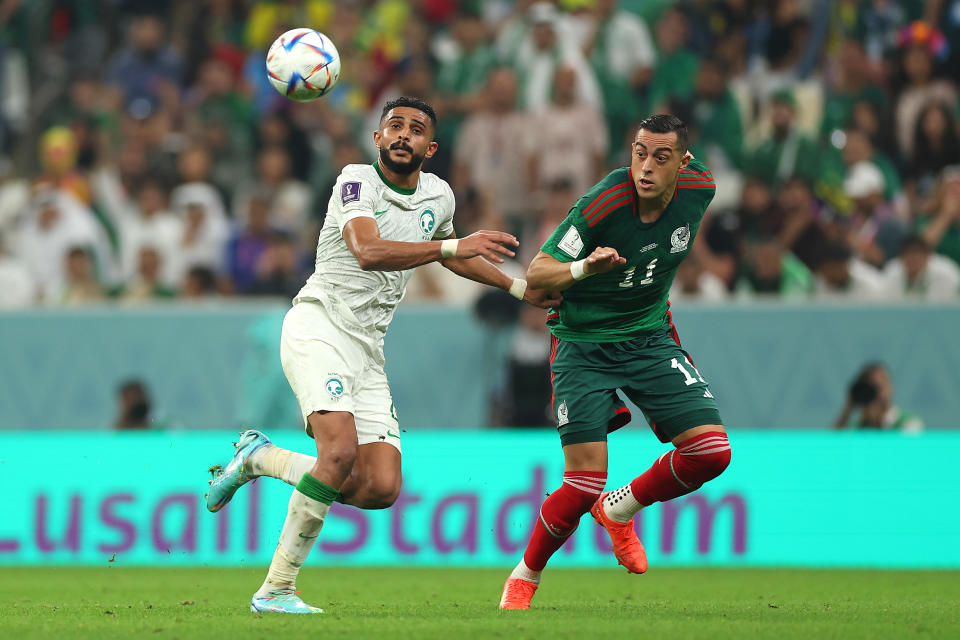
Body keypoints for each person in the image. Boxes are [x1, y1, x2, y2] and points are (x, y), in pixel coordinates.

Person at [204, 96, 560, 614]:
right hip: (319, 325)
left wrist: (517, 288)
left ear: (430, 148)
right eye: (394, 125)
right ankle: (276, 589)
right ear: (377, 137)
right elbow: (368, 251)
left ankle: (259, 457)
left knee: (379, 486)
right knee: (339, 452)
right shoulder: (356, 181)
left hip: (368, 350)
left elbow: (453, 253)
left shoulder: (439, 195)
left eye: (416, 130)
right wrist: (451, 248)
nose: (402, 135)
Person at [498, 115, 731, 610]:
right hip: (584, 345)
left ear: (683, 164)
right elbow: (538, 275)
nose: (645, 166)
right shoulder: (607, 201)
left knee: (712, 453)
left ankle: (620, 510)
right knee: (582, 483)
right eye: (639, 152)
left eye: (661, 157)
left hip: (649, 337)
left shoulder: (701, 187)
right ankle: (525, 575)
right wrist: (585, 266)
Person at [834, 363, 924, 433]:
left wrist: (878, 421)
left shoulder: (908, 424)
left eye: (878, 388)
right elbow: (833, 446)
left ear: (890, 388)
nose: (873, 394)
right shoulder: (854, 429)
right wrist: (848, 410)